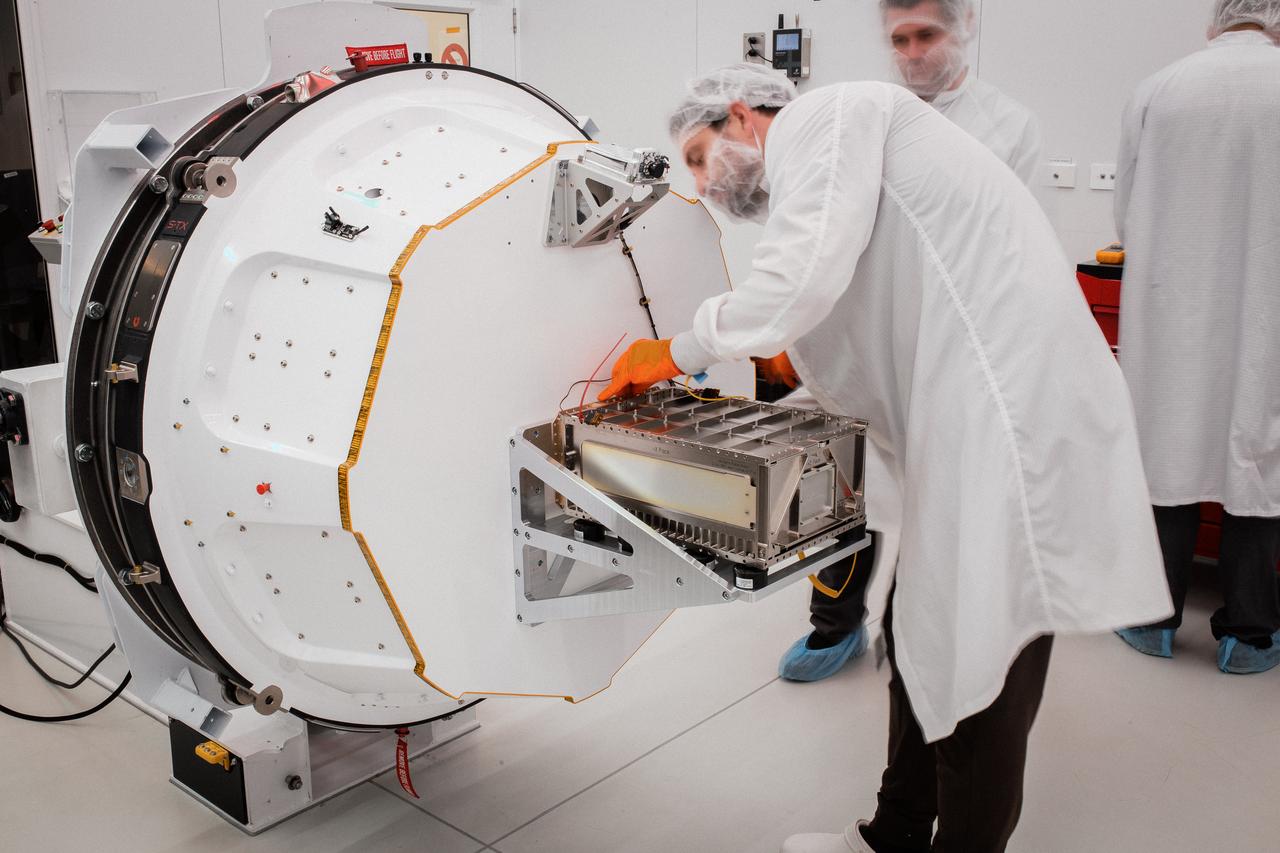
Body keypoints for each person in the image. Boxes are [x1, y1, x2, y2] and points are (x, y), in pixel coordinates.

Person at [596, 63, 1171, 853]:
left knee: (981, 652)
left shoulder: (829, 117)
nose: (702, 185)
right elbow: (846, 313)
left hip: (1007, 423)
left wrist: (676, 351)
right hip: (973, 417)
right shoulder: (841, 165)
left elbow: (798, 280)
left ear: (740, 113)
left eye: (699, 156)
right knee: (918, 626)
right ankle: (893, 831)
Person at [777, 0, 1047, 686]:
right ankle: (833, 624)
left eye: (926, 35)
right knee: (845, 483)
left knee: (941, 496)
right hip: (863, 335)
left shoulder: (1006, 126)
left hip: (954, 342)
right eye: (899, 39)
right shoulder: (868, 115)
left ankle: (926, 627)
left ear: (964, 30)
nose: (913, 52)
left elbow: (1000, 246)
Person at [1112, 0, 1280, 674]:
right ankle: (1250, 634)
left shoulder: (1160, 88)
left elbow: (1126, 210)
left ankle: (1152, 619)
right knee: (1260, 454)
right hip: (1268, 309)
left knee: (1167, 450)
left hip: (1171, 308)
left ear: (1219, 21)